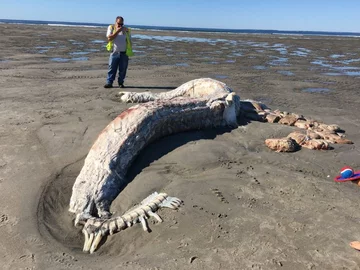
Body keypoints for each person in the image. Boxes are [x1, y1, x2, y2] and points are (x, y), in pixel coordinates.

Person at [104, 16, 131, 88]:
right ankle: (109, 82)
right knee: (112, 68)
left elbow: (129, 40)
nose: (120, 26)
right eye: (119, 24)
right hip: (114, 52)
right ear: (115, 22)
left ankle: (121, 83)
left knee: (123, 69)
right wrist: (118, 31)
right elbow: (110, 38)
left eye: (122, 24)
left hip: (124, 52)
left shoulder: (126, 30)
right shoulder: (111, 28)